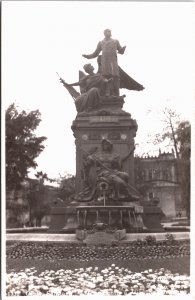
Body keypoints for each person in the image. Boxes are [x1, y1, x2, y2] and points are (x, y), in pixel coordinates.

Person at [74, 139, 139, 202]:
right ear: (103, 146)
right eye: (105, 144)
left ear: (110, 145)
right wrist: (87, 158)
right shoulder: (97, 155)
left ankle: (118, 194)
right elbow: (87, 163)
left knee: (125, 175)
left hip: (113, 171)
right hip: (103, 173)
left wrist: (131, 151)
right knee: (119, 181)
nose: (106, 146)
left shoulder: (114, 155)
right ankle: (127, 195)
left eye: (108, 144)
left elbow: (121, 161)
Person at [83, 29, 126, 96]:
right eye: (106, 32)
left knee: (116, 77)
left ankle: (117, 95)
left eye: (109, 31)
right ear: (104, 33)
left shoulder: (115, 41)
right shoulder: (101, 42)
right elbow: (96, 53)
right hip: (104, 62)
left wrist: (123, 49)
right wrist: (88, 56)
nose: (107, 33)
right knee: (105, 77)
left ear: (111, 33)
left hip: (113, 62)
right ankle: (107, 93)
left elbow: (121, 51)